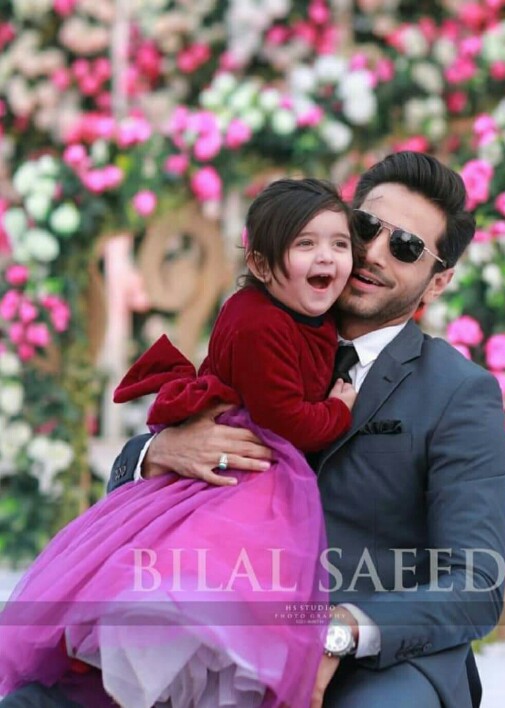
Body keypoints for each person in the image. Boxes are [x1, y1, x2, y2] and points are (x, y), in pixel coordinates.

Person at [105, 152, 505, 708]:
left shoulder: (458, 393)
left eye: (406, 246)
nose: (371, 253)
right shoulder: (265, 325)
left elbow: (476, 584)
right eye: (365, 227)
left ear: (437, 282)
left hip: (371, 659)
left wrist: (340, 632)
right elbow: (169, 475)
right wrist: (160, 451)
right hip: (226, 633)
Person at [0, 178, 363, 708]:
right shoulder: (260, 322)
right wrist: (338, 409)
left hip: (270, 487)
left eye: (339, 243)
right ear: (262, 266)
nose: (327, 257)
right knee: (189, 594)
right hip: (245, 466)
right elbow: (287, 420)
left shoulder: (312, 312)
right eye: (305, 244)